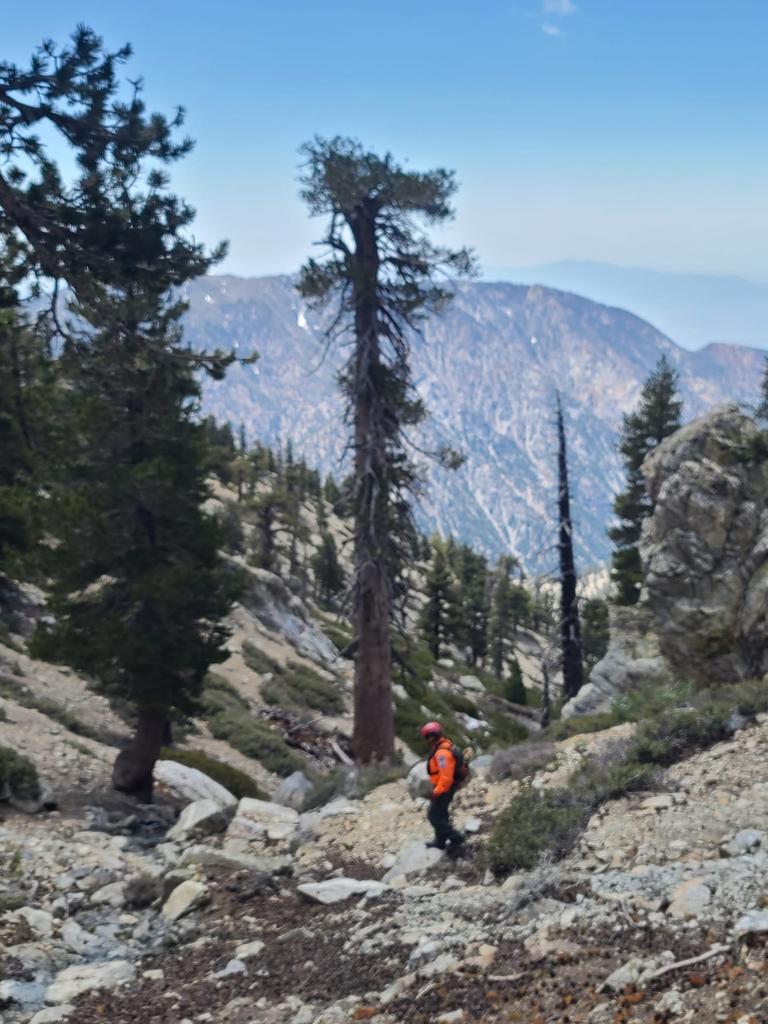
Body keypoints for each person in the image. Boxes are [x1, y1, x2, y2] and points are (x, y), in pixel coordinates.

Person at [420, 721, 465, 855]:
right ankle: (440, 841)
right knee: (441, 813)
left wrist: (436, 792)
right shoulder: (444, 745)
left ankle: (455, 837)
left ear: (432, 736)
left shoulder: (442, 754)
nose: (426, 740)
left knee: (433, 815)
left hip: (444, 788)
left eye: (427, 737)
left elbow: (446, 778)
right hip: (445, 787)